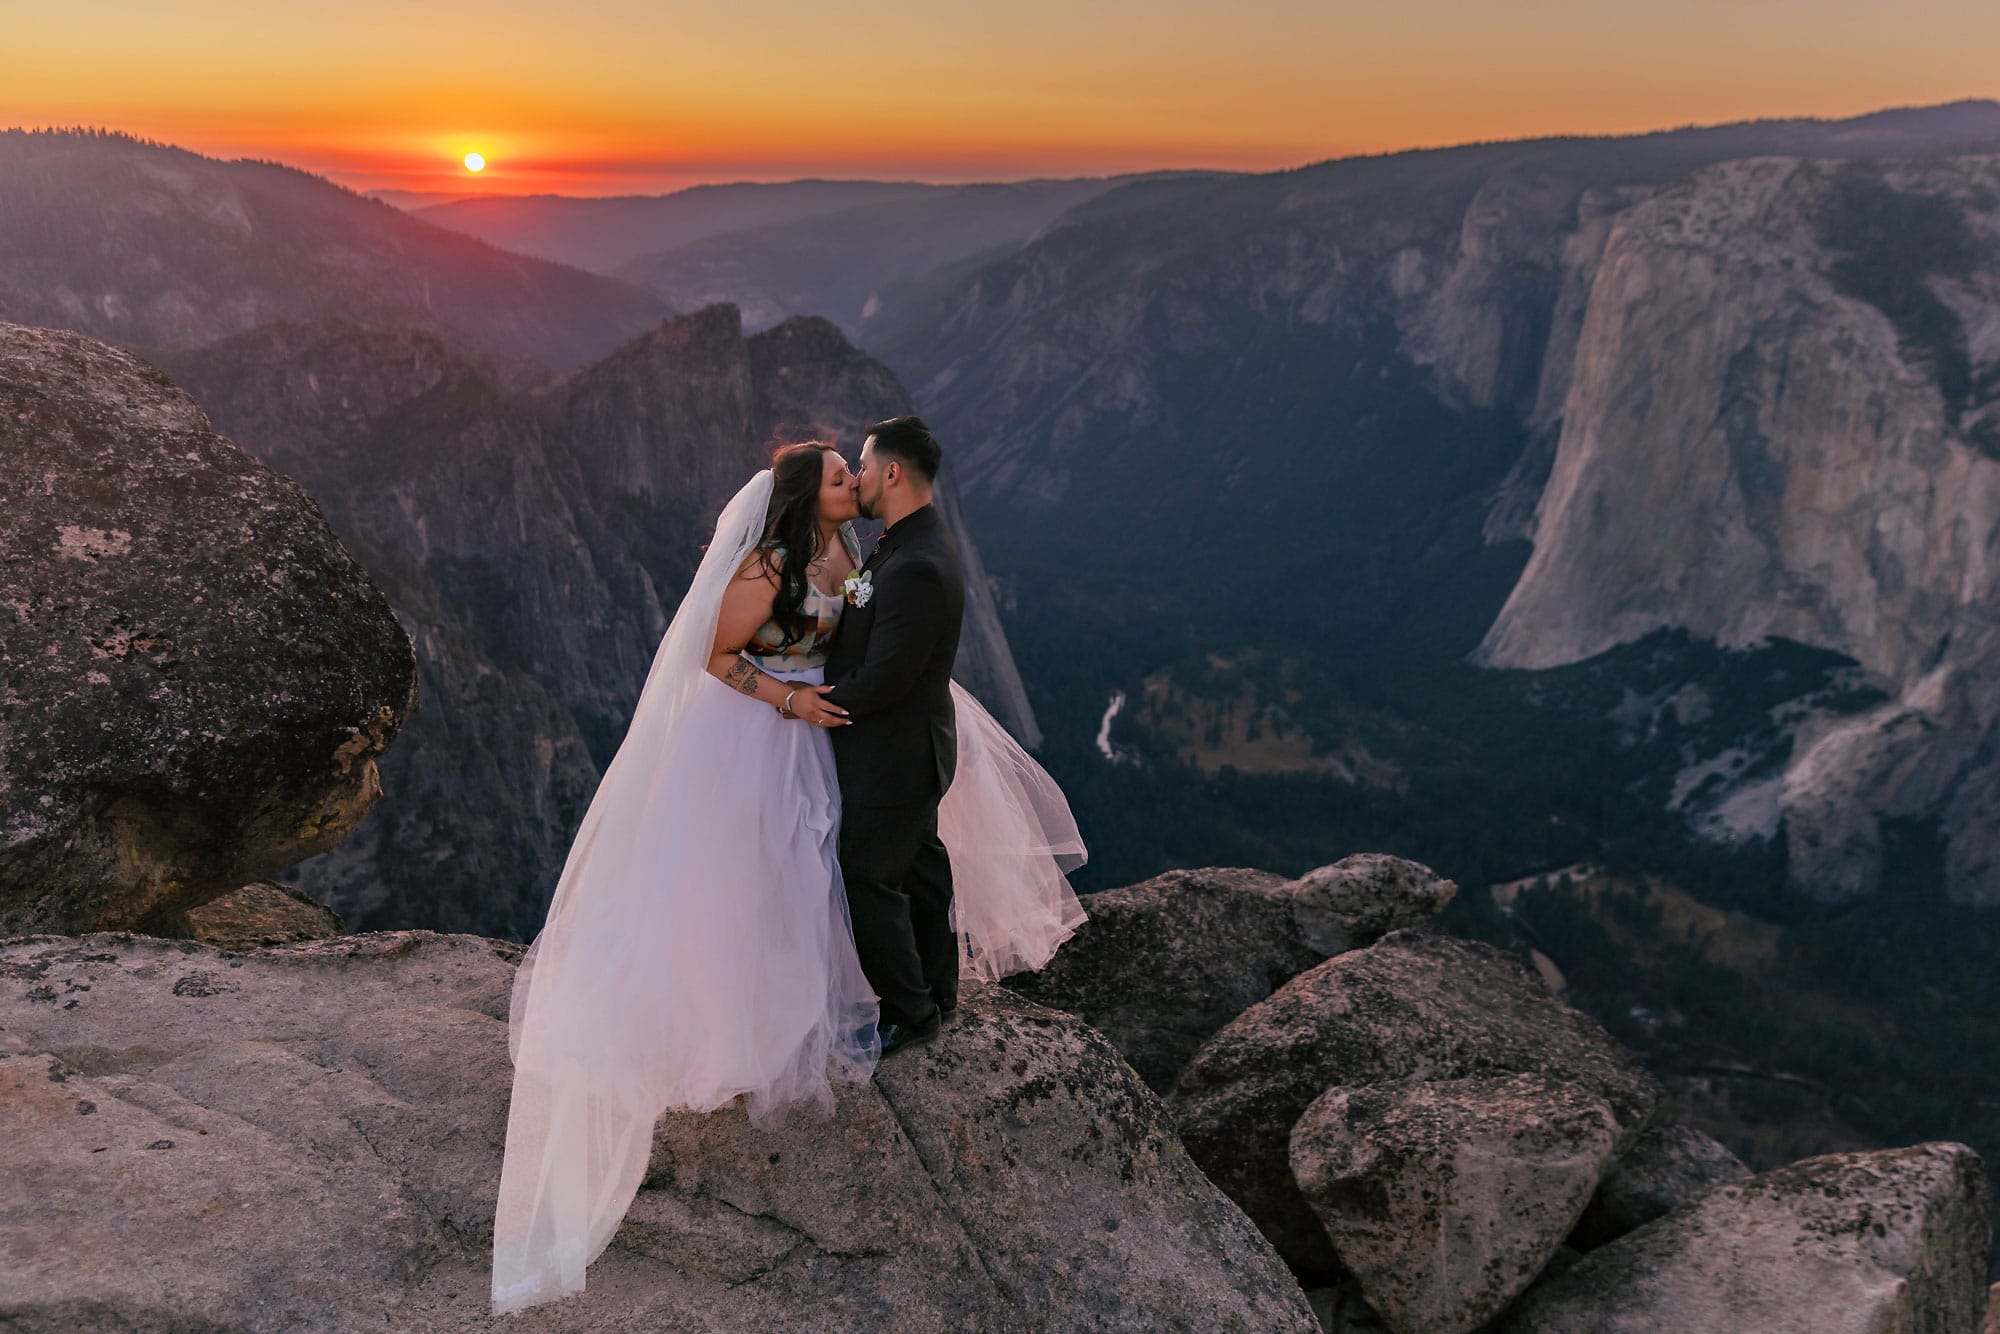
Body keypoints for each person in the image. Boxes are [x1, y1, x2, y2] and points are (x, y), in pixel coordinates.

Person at [490, 438, 1086, 1316]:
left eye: (860, 470)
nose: (856, 483)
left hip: (830, 728)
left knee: (825, 870)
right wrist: (791, 699)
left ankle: (849, 990)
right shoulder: (766, 566)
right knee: (751, 876)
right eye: (843, 476)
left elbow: (858, 616)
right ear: (814, 493)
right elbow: (715, 657)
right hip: (766, 734)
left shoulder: (848, 555)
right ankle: (738, 1017)